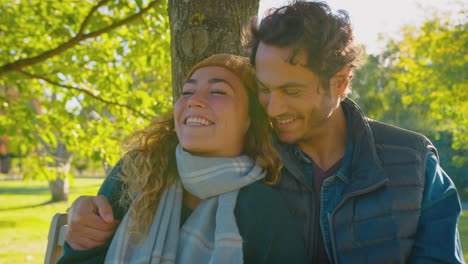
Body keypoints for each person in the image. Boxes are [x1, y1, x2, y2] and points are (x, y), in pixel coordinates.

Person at [64, 1, 465, 263]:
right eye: (265, 90)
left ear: (341, 82)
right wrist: (88, 213)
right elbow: (156, 173)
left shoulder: (411, 164)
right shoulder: (244, 150)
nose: (273, 109)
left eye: (292, 91)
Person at [57, 54, 308, 264]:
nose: (194, 101)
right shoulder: (137, 172)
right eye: (187, 91)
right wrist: (82, 241)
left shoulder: (263, 207)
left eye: (218, 91)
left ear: (250, 119)